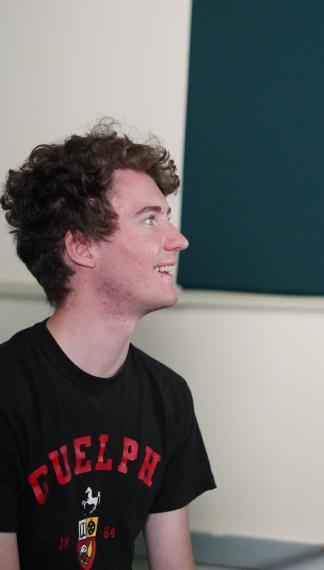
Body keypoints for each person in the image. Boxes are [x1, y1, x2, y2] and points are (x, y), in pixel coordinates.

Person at [0, 120, 216, 569]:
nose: (178, 240)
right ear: (82, 246)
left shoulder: (168, 397)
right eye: (150, 220)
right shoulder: (8, 393)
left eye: (167, 218)